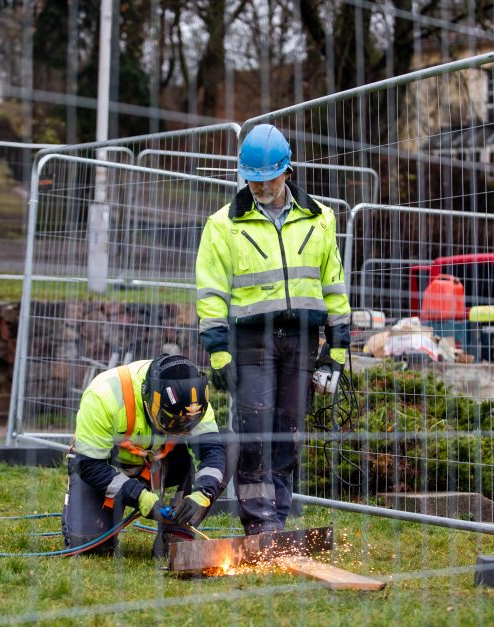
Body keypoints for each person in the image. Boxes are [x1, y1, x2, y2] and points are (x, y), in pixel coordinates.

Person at [195, 123, 351, 535]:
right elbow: (211, 294)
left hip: (301, 341)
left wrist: (336, 349)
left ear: (287, 170)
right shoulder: (223, 226)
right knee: (255, 433)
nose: (261, 187)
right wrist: (218, 353)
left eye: (268, 179)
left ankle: (278, 517)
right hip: (250, 343)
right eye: (253, 180)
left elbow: (334, 285)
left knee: (288, 431)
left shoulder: (320, 220)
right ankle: (259, 524)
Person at [61, 354, 230, 558]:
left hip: (161, 465)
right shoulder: (105, 395)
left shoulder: (193, 402)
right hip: (109, 469)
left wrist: (202, 494)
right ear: (149, 399)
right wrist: (140, 496)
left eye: (188, 425)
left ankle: (177, 533)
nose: (181, 431)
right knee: (89, 545)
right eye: (171, 422)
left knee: (229, 444)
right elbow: (89, 465)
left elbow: (212, 452)